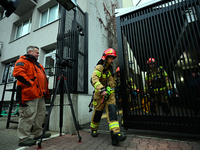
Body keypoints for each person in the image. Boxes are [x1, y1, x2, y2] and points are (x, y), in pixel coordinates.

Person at [13, 46, 51, 146]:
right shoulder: (23, 60)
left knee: (40, 114)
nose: (38, 54)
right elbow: (18, 73)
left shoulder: (37, 64)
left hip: (40, 95)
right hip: (29, 94)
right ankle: (23, 138)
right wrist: (30, 83)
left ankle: (38, 133)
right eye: (37, 53)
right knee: (27, 116)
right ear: (30, 52)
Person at [90, 48, 126, 146]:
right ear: (105, 57)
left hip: (110, 96)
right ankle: (93, 129)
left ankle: (115, 135)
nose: (112, 60)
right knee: (97, 114)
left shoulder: (110, 69)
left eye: (113, 58)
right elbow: (94, 78)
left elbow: (112, 82)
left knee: (112, 113)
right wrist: (101, 89)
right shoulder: (99, 67)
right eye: (111, 58)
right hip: (100, 95)